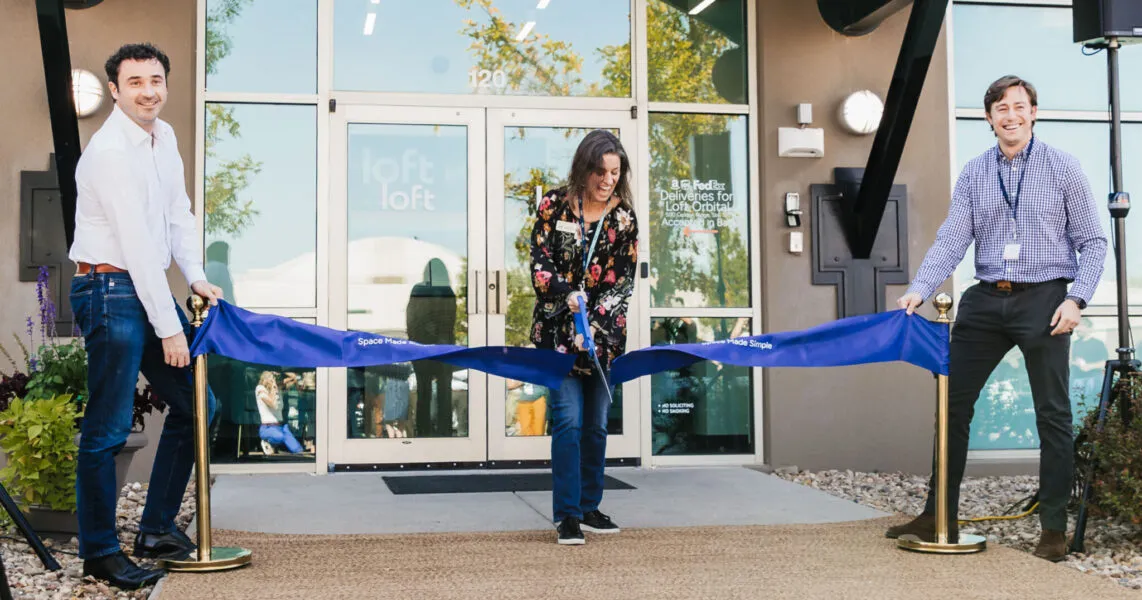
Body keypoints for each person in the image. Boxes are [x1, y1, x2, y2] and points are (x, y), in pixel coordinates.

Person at [889, 75, 1107, 562]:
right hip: (985, 300)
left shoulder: (1063, 168)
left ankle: (1053, 527)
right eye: (1000, 108)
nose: (1010, 115)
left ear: (1034, 112)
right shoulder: (973, 173)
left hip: (1045, 299)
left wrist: (1078, 300)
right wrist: (919, 289)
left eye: (1019, 106)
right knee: (951, 405)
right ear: (988, 118)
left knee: (1052, 414)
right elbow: (952, 239)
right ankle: (936, 511)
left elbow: (1093, 242)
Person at [67, 43, 224, 589]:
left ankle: (155, 528)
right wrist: (171, 327)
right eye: (135, 82)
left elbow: (177, 215)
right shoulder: (110, 152)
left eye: (156, 79)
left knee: (199, 405)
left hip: (142, 287)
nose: (148, 90)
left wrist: (197, 274)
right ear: (114, 89)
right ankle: (100, 553)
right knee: (108, 428)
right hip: (108, 288)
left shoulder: (166, 138)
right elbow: (134, 243)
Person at [530, 130, 639, 545]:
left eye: (615, 172)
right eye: (600, 171)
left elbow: (621, 285)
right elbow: (539, 266)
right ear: (584, 168)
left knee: (595, 425)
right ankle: (568, 515)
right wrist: (567, 297)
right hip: (558, 338)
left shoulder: (624, 218)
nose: (608, 180)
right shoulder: (554, 206)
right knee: (569, 422)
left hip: (602, 341)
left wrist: (592, 328)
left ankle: (591, 506)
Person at [406, 258, 458, 437]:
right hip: (444, 347)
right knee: (445, 392)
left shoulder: (418, 291)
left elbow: (411, 321)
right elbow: (450, 322)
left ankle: (424, 431)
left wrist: (415, 343)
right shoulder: (449, 292)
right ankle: (445, 431)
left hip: (422, 348)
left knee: (424, 392)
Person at [255, 371, 304, 454]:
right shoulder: (260, 389)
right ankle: (267, 441)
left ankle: (274, 445)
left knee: (297, 449)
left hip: (280, 426)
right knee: (280, 437)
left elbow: (293, 379)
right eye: (273, 378)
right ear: (266, 379)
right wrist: (273, 388)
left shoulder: (278, 387)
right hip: (267, 427)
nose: (275, 380)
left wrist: (284, 372)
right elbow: (272, 404)